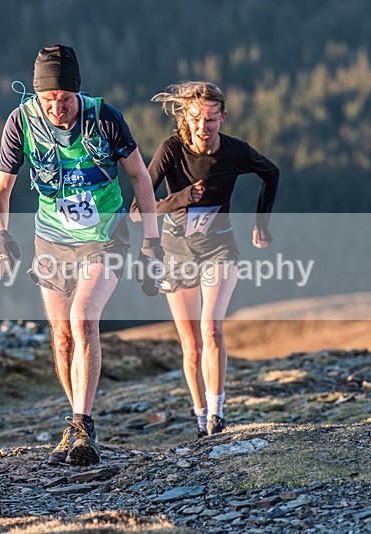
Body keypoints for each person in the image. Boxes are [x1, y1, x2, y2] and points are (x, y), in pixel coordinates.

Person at [0, 45, 162, 466]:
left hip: (106, 235)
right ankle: (76, 421)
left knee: (83, 317)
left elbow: (140, 177)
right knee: (62, 334)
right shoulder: (20, 123)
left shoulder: (105, 118)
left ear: (77, 92)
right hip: (51, 240)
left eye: (65, 99)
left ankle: (83, 424)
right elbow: (0, 192)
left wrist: (151, 243)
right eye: (48, 99)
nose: (57, 108)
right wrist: (0, 237)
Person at [131, 81, 279, 438]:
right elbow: (138, 210)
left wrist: (261, 224)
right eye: (196, 119)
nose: (203, 127)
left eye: (211, 119)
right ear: (186, 116)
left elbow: (271, 173)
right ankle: (200, 419)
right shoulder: (171, 149)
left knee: (211, 327)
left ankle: (217, 414)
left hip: (219, 247)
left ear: (222, 117)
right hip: (176, 251)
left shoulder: (234, 151)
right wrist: (182, 198)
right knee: (192, 345)